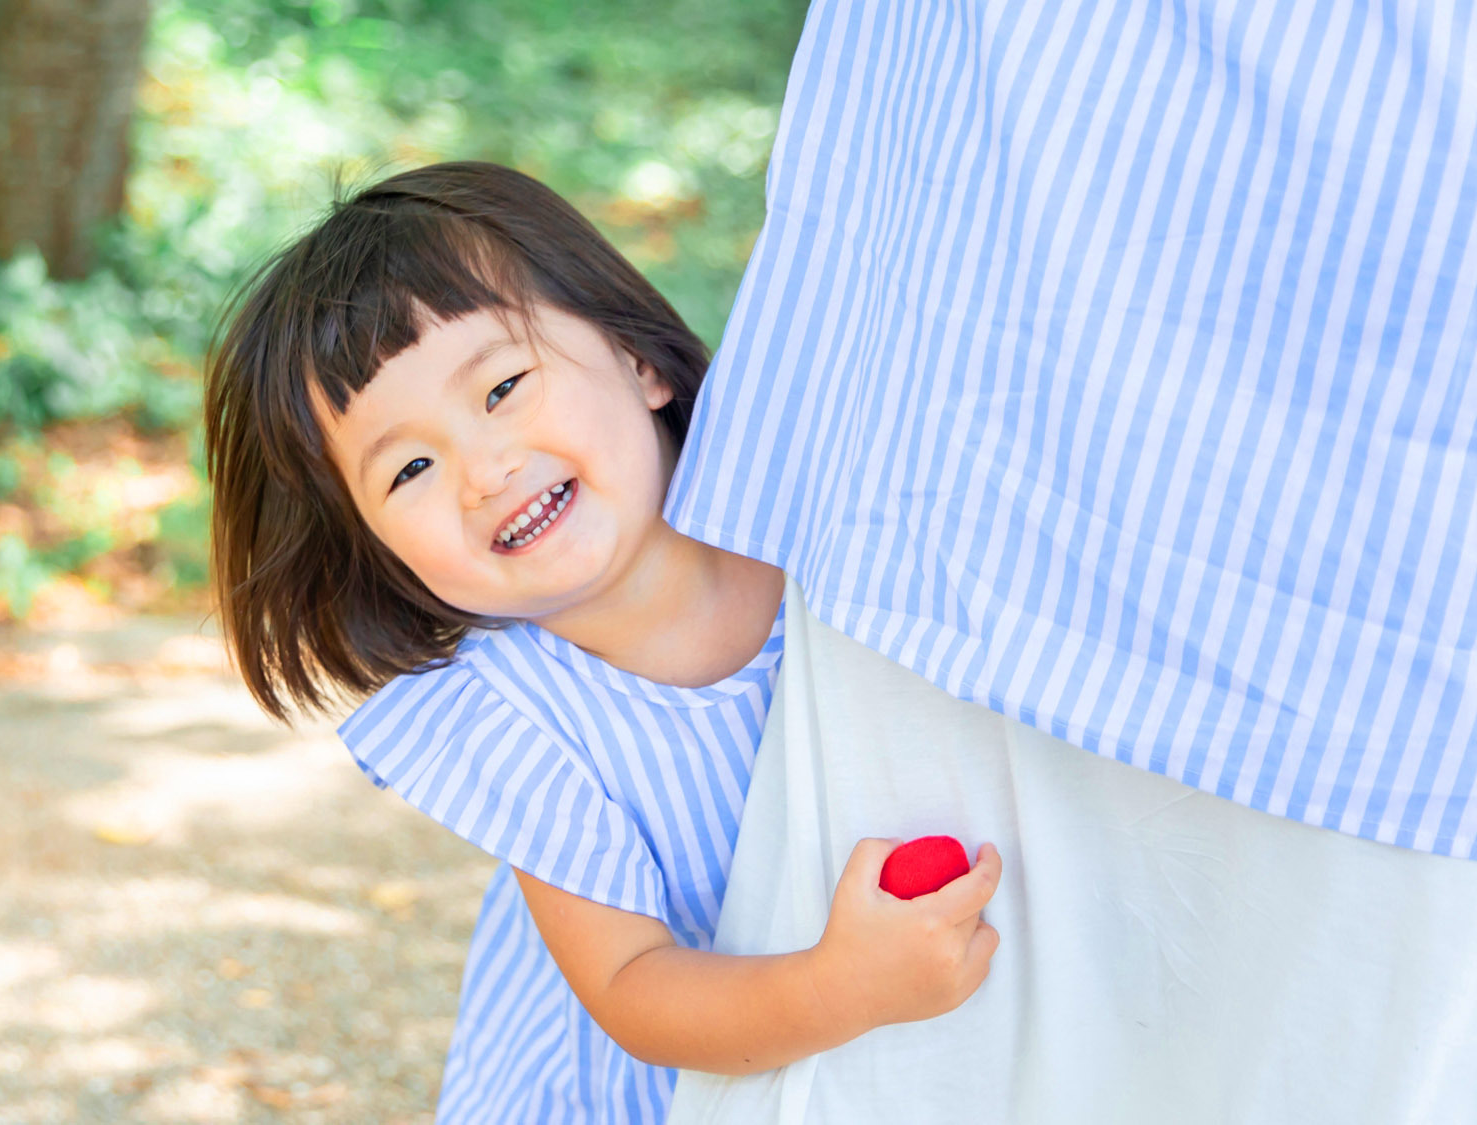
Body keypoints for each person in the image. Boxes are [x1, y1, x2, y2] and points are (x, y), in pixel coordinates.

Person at [202, 161, 1002, 1123]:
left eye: (501, 387)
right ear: (381, 550)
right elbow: (634, 986)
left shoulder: (832, 539)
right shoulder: (515, 715)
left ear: (639, 361)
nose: (483, 470)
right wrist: (843, 987)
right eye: (410, 465)